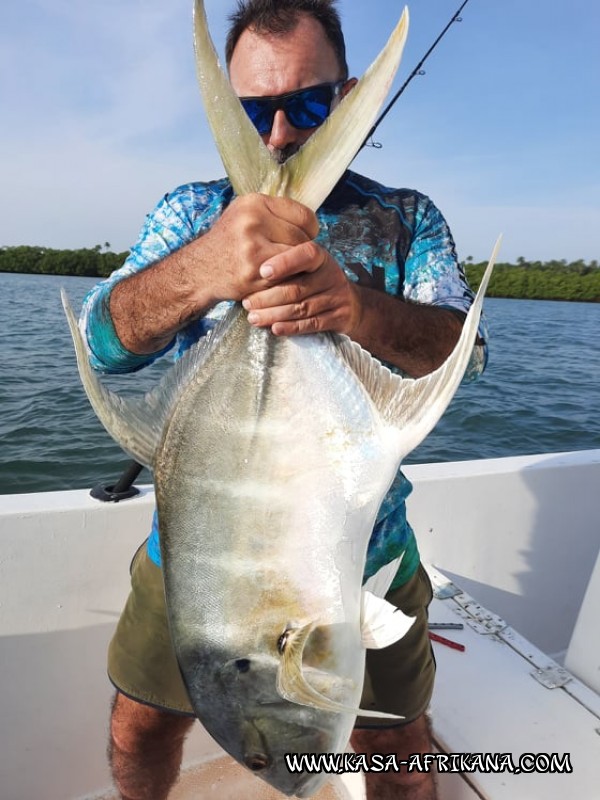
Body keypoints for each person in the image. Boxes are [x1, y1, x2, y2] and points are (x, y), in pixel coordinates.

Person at [81, 1, 487, 798]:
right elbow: (103, 342)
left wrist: (358, 309)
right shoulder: (192, 215)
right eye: (251, 112)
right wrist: (206, 269)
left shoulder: (405, 221)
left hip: (374, 555)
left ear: (347, 93)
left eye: (305, 106)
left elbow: (464, 356)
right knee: (141, 722)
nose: (275, 138)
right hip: (194, 557)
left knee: (402, 747)